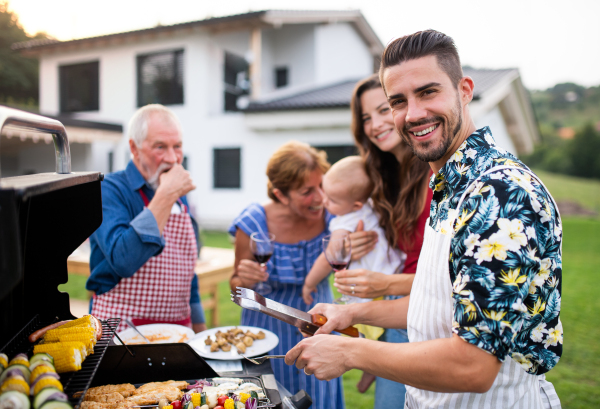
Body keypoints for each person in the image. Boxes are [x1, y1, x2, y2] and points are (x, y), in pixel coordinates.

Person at [285, 30, 562, 409]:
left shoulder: (499, 193)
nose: (413, 114)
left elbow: (473, 366)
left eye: (428, 92)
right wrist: (351, 312)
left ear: (464, 90)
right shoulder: (447, 183)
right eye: (397, 101)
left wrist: (351, 353)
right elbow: (438, 302)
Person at [332, 74, 433, 406]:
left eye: (383, 109)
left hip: (426, 320)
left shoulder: (436, 177)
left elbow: (446, 281)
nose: (375, 124)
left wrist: (384, 284)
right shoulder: (385, 181)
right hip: (399, 316)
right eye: (365, 118)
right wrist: (356, 244)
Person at [228, 141, 344, 409]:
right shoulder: (253, 223)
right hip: (267, 331)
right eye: (307, 191)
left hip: (318, 325)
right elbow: (236, 289)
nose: (319, 197)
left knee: (319, 399)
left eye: (321, 186)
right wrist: (242, 280)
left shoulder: (332, 216)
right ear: (280, 194)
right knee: (270, 399)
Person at [88, 104, 206, 334]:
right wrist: (166, 195)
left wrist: (201, 329)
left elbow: (187, 271)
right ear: (134, 147)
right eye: (160, 147)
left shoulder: (181, 200)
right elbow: (123, 259)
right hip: (120, 332)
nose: (172, 159)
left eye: (178, 146)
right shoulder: (109, 190)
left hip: (178, 332)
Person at [302, 155, 405, 307]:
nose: (324, 201)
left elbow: (331, 256)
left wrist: (309, 283)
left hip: (370, 283)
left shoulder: (346, 220)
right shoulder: (371, 206)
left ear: (356, 205)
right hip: (392, 272)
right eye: (326, 193)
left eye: (332, 200)